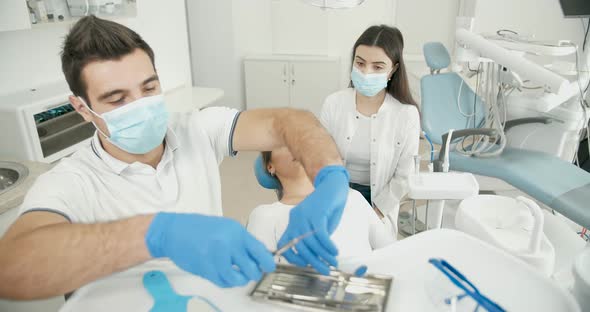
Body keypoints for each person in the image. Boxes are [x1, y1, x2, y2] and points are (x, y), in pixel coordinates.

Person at [0, 16, 349, 300]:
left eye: (149, 88)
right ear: (83, 108)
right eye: (117, 98)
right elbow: (11, 268)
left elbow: (290, 121)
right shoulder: (72, 180)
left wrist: (330, 177)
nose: (140, 104)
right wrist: (158, 234)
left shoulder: (197, 129)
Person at [320, 25, 420, 239]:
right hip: (336, 193)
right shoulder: (334, 103)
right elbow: (320, 158)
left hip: (379, 200)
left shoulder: (406, 115)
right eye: (360, 63)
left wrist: (375, 213)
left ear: (393, 70)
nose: (366, 72)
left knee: (371, 251)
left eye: (377, 66)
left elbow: (403, 176)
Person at [247, 148, 395, 262]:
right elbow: (257, 281)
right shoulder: (265, 216)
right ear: (270, 166)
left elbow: (393, 253)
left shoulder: (352, 197)